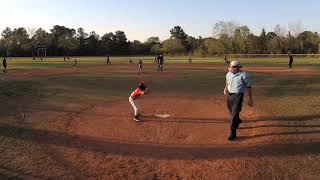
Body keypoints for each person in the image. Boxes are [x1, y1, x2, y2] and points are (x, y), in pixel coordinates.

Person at [224, 61, 253, 141]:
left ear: (237, 67)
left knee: (233, 115)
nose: (230, 68)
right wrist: (225, 88)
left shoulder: (244, 75)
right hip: (229, 96)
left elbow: (249, 87)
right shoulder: (228, 74)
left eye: (231, 67)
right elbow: (227, 82)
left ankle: (232, 134)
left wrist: (250, 99)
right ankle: (237, 119)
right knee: (231, 112)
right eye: (230, 66)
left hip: (238, 96)